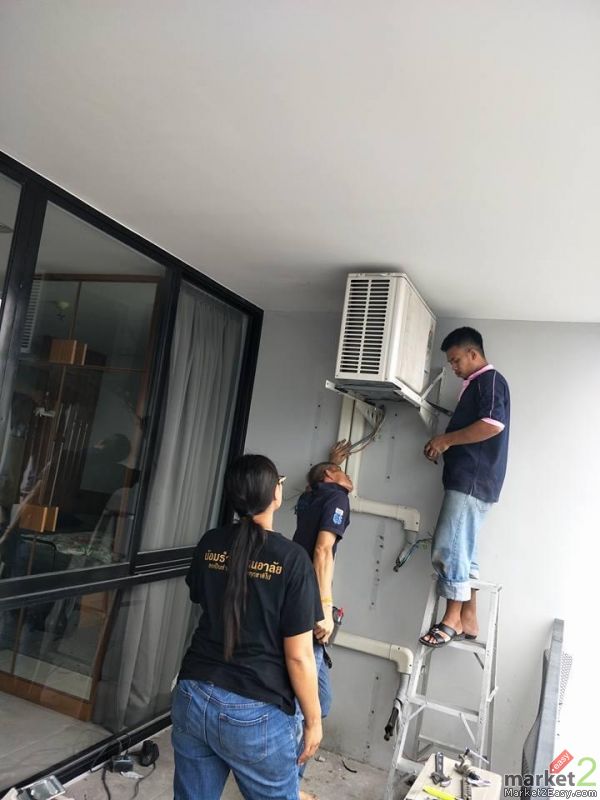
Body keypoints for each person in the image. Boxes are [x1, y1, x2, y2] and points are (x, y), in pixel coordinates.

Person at [172, 454, 323, 800]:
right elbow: (299, 656)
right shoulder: (292, 559)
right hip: (255, 709)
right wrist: (314, 721)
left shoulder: (210, 543)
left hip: (193, 692)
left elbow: (201, 597)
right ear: (275, 494)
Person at [420, 327, 510, 647]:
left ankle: (452, 618)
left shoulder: (490, 380)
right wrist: (444, 444)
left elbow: (492, 424)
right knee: (464, 549)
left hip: (471, 479)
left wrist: (446, 440)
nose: (453, 367)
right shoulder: (477, 384)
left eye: (456, 360)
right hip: (474, 479)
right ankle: (469, 618)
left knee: (448, 546)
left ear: (473, 354)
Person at [292, 442, 353, 799]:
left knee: (321, 701)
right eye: (342, 472)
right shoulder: (337, 498)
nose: (349, 479)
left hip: (294, 595)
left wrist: (332, 464)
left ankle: (282, 777)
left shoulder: (309, 498)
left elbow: (313, 482)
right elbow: (323, 549)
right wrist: (325, 609)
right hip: (310, 606)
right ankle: (287, 788)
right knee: (305, 706)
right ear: (330, 476)